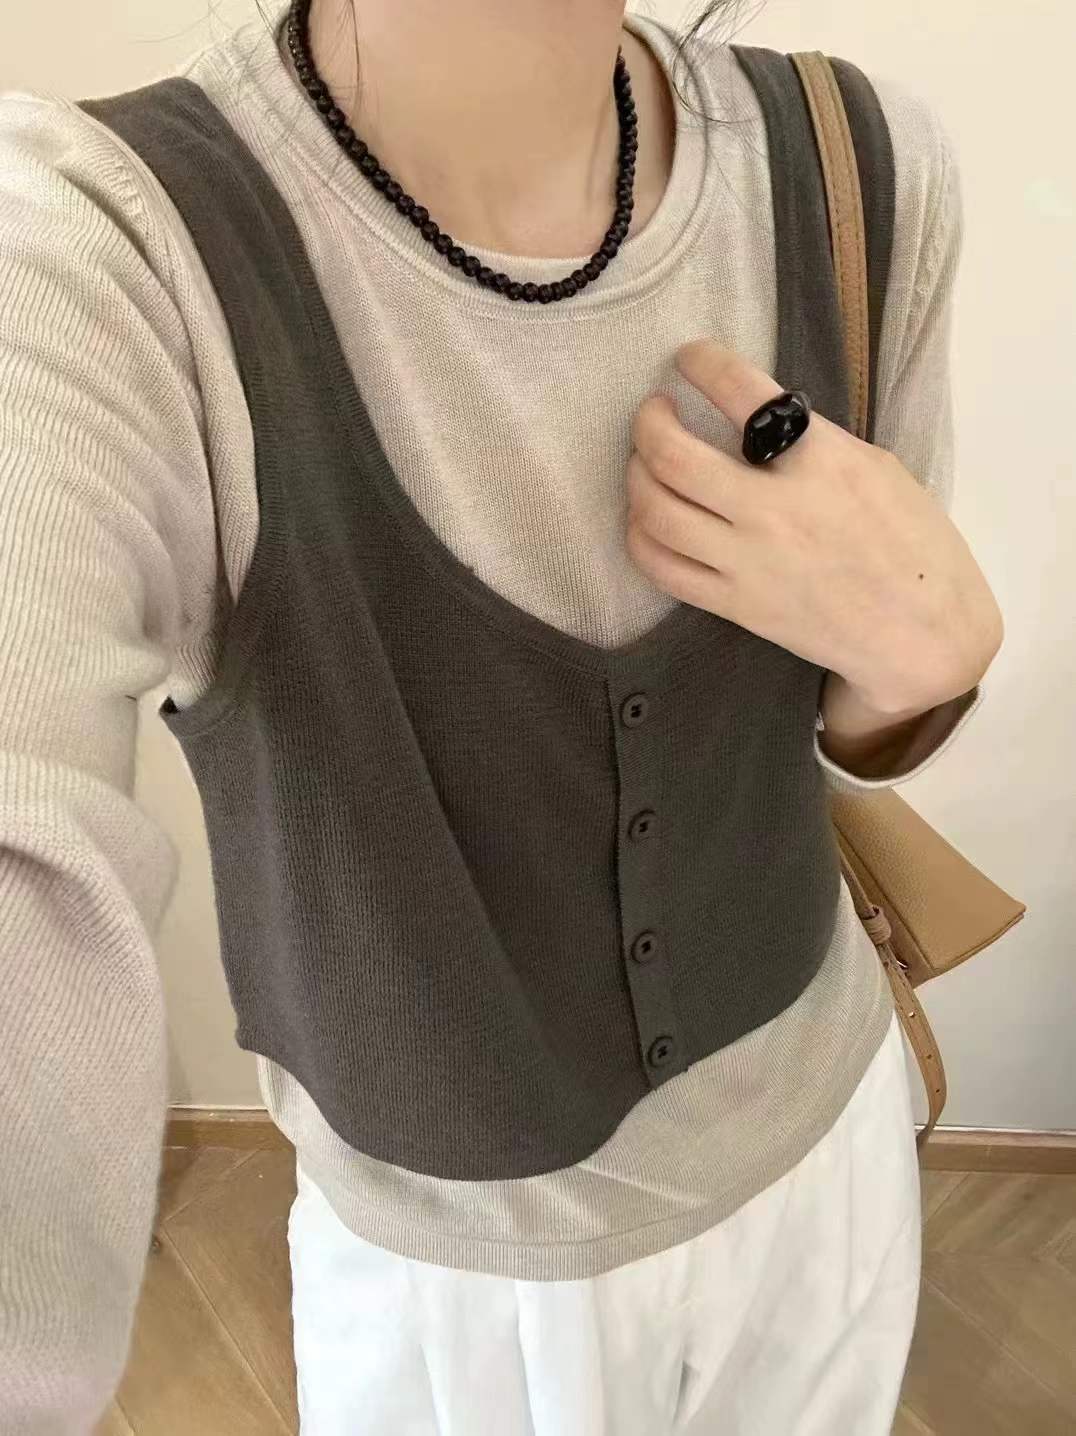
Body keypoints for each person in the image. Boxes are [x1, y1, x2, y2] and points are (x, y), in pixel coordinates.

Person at [0, 0, 1003, 1431]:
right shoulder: (107, 251)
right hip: (455, 1274)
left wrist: (933, 662)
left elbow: (856, 718)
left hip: (827, 1145)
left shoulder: (859, 165)